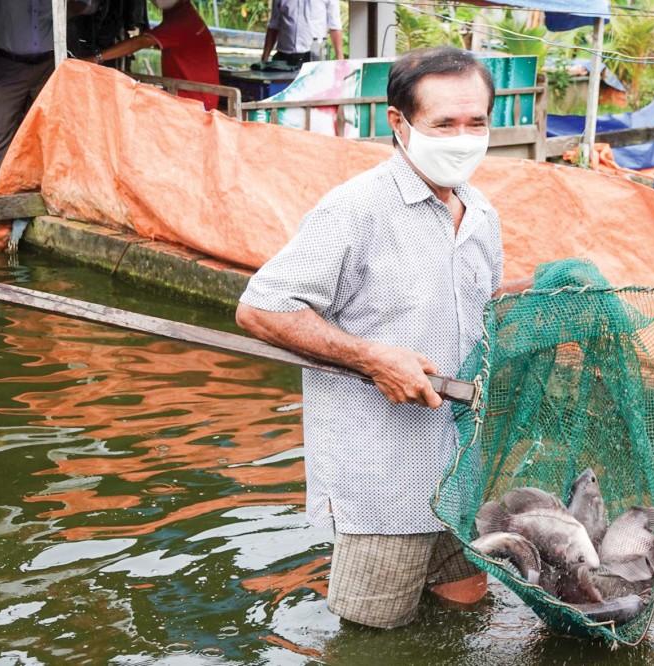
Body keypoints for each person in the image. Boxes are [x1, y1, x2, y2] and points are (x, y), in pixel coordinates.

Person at [236, 47, 503, 629]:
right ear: (400, 123)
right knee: (372, 638)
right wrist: (372, 356)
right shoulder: (356, 211)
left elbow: (479, 314)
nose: (463, 137)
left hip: (460, 476)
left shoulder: (480, 212)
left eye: (476, 122)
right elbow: (261, 308)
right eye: (444, 124)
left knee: (465, 615)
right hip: (385, 481)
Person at [0, 0, 93, 173]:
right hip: (8, 65)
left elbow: (87, 6)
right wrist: (0, 22)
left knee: (54, 125)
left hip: (49, 63)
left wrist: (63, 8)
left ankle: (51, 182)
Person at [91, 0, 219, 110]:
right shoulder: (181, 14)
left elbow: (142, 41)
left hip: (194, 101)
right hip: (194, 94)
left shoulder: (183, 21)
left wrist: (98, 58)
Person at [260, 0, 343, 67]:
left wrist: (340, 59)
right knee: (281, 87)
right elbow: (273, 26)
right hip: (284, 58)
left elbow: (335, 26)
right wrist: (264, 58)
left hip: (314, 58)